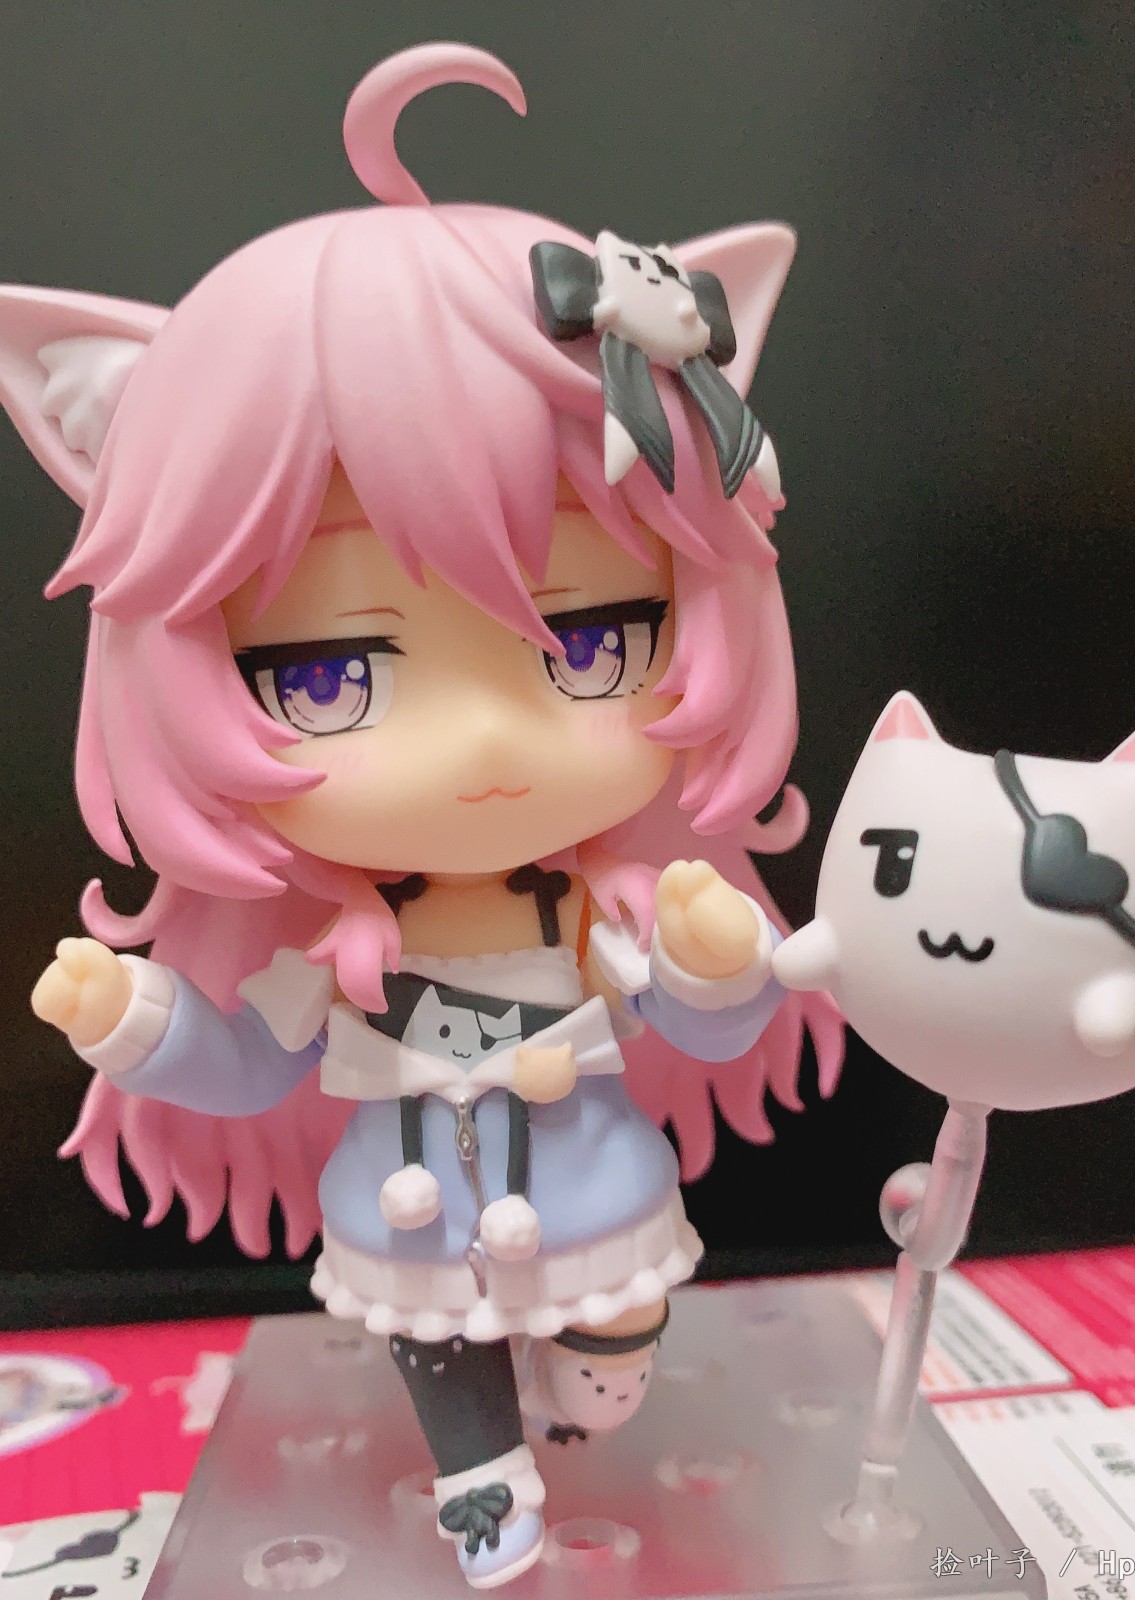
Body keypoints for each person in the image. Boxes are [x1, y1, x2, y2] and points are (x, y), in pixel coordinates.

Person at [1, 43, 842, 1590]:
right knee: (444, 1361)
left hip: (594, 1192)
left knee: (614, 1342)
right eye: (328, 674)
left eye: (594, 645)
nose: (485, 742)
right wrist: (134, 1021)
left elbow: (708, 1033)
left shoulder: (607, 909)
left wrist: (716, 960)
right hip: (404, 1218)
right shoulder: (339, 946)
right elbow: (253, 1064)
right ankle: (480, 1479)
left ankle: (593, 1378)